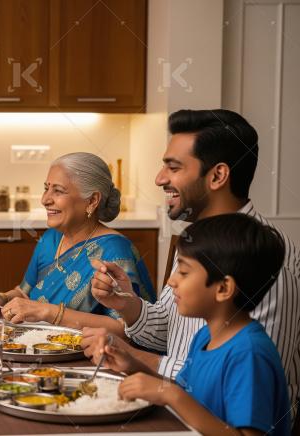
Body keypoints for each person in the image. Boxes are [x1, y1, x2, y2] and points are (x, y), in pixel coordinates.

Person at [83, 109, 300, 421]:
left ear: (217, 176)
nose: (159, 178)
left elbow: (240, 380)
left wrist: (133, 355)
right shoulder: (199, 241)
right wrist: (127, 304)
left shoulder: (267, 260)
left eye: (173, 167)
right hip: (180, 410)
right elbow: (174, 335)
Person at [113, 214, 291, 436]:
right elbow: (187, 392)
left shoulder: (249, 354)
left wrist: (171, 395)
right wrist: (133, 365)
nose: (171, 281)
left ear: (224, 288)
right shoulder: (205, 336)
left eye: (184, 272)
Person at [0, 152, 155, 333]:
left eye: (58, 191)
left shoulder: (115, 251)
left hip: (87, 360)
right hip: (36, 346)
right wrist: (2, 298)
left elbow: (125, 328)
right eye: (46, 188)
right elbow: (25, 293)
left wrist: (50, 312)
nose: (44, 200)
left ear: (92, 200)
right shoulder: (51, 239)